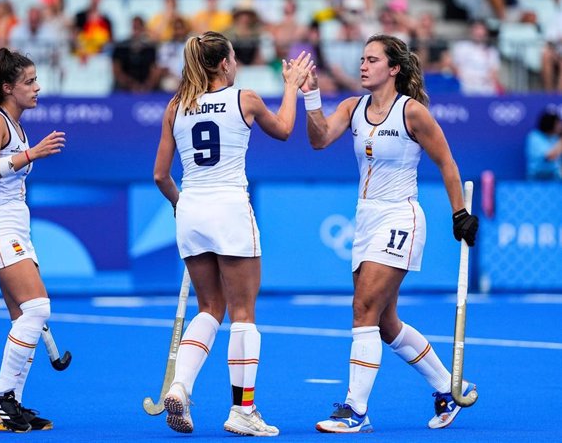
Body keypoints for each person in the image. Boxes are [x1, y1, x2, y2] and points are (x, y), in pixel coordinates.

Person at [300, 34, 479, 433]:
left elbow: (447, 163)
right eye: (361, 59)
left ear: (393, 68)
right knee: (384, 322)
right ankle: (449, 389)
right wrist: (310, 97)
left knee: (363, 309)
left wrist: (460, 214)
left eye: (372, 60)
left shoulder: (412, 113)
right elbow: (318, 140)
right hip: (365, 220)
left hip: (400, 217)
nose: (363, 65)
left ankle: (354, 410)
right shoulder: (351, 107)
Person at [153, 31, 313, 436]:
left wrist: (179, 204)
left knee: (209, 307)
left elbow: (159, 175)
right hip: (228, 207)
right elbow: (284, 129)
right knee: (243, 314)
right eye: (235, 57)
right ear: (224, 63)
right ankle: (243, 410)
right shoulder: (245, 98)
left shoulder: (176, 106)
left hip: (191, 208)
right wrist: (291, 87)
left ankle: (180, 387)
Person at [0, 47, 66, 433]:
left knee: (23, 318)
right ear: (8, 87)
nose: (37, 88)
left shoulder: (17, 123)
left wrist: (28, 150)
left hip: (15, 227)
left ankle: (12, 407)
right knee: (38, 308)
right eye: (29, 82)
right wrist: (31, 154)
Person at [525, 109, 562, 180]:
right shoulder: (535, 137)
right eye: (557, 123)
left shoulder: (555, 138)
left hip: (555, 179)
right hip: (538, 179)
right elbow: (550, 156)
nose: (560, 126)